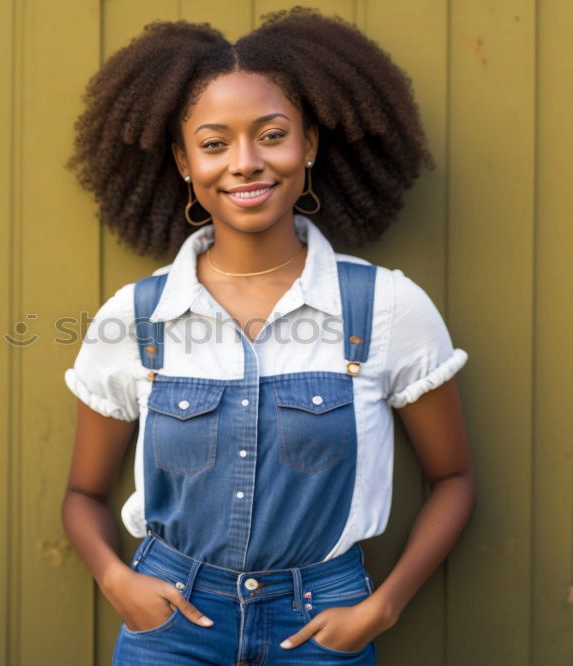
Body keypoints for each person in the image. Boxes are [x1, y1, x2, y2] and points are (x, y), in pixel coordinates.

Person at [60, 7, 475, 664]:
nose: (245, 163)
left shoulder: (385, 306)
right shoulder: (138, 318)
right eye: (215, 143)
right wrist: (118, 581)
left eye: (272, 135)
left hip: (321, 627)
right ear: (184, 162)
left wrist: (382, 607)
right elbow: (82, 495)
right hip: (170, 628)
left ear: (308, 144)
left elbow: (453, 478)